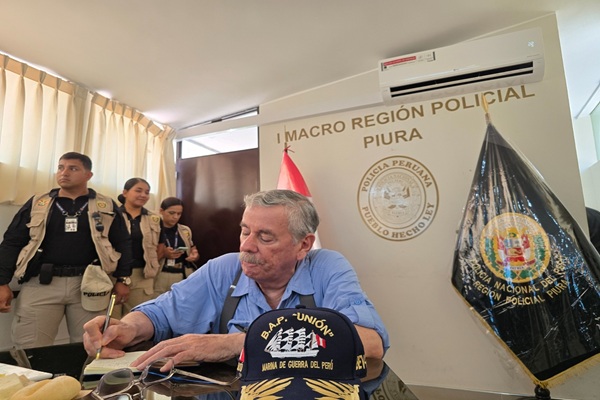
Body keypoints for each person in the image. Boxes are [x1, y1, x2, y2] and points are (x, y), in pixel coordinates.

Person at [83, 189, 389, 370]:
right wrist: (128, 329)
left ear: (303, 245)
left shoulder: (327, 267)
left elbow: (371, 344)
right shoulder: (224, 269)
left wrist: (237, 343)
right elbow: (160, 312)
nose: (246, 246)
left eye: (265, 237)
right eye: (245, 231)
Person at [0, 152, 133, 348]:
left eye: (73, 168)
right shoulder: (38, 203)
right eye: (61, 167)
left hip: (90, 284)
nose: (64, 172)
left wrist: (123, 279)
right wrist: (2, 282)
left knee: (90, 346)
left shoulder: (106, 205)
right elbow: (12, 242)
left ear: (88, 175)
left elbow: (123, 243)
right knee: (30, 347)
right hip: (41, 283)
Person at [114, 178, 162, 316]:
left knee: (137, 319)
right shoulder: (112, 215)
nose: (143, 195)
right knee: (111, 321)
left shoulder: (154, 219)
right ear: (125, 192)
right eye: (138, 191)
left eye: (147, 192)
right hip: (114, 275)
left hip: (142, 275)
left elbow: (160, 246)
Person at [154, 197, 200, 295]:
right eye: (171, 213)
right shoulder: (154, 229)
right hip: (160, 274)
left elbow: (192, 248)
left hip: (181, 273)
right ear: (161, 211)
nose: (175, 217)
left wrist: (194, 255)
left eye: (179, 214)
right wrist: (163, 253)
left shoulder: (185, 230)